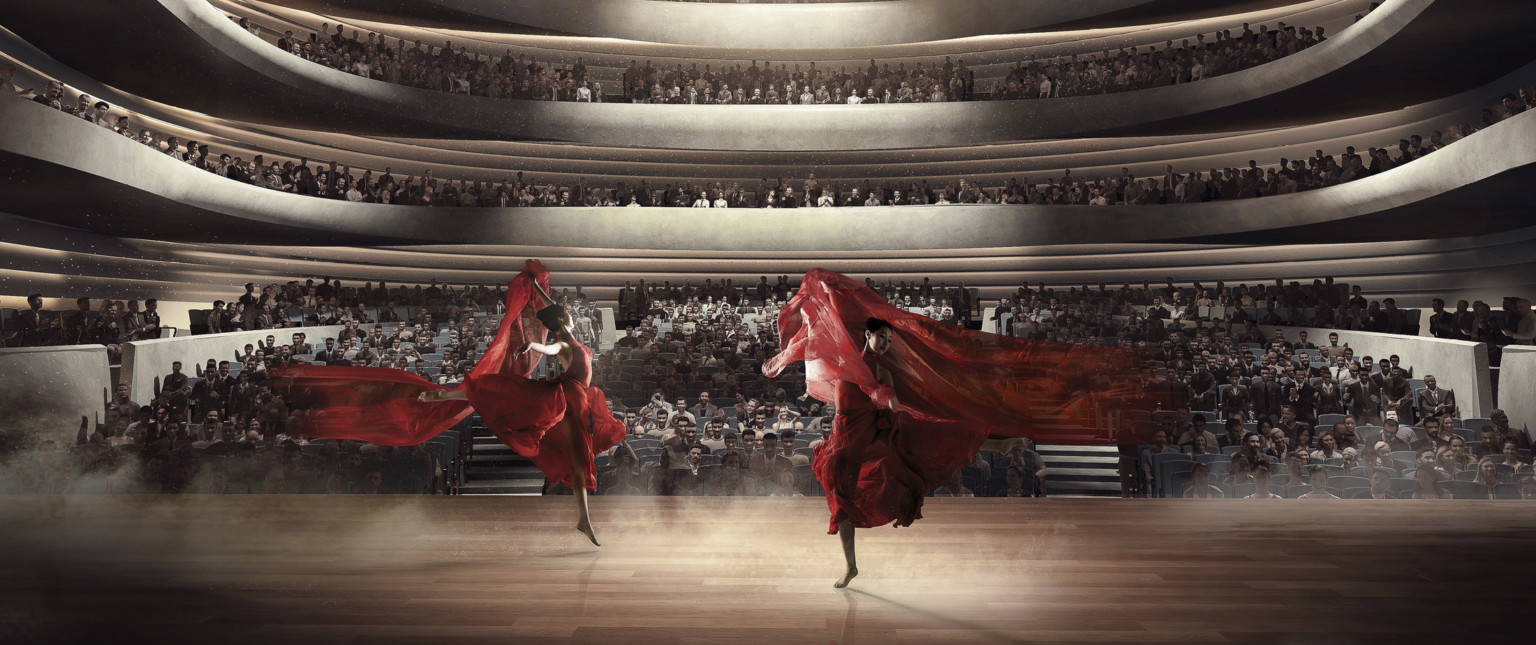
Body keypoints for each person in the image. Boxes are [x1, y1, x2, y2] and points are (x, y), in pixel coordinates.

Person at [762, 269, 1158, 588]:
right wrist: (814, 306)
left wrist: (890, 397)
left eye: (888, 340)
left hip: (879, 432)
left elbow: (887, 396)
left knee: (937, 440)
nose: (884, 344)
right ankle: (850, 566)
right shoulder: (847, 357)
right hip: (848, 437)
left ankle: (998, 445)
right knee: (841, 501)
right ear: (867, 335)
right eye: (879, 338)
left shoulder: (883, 368)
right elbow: (821, 330)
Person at [273, 261, 622, 545]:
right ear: (564, 322)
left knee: (580, 462)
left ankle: (584, 521)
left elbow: (551, 308)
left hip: (576, 401)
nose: (572, 317)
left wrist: (536, 287)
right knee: (520, 412)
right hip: (566, 400)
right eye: (568, 317)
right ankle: (453, 395)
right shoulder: (563, 345)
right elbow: (548, 340)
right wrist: (533, 345)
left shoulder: (570, 337)